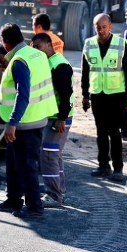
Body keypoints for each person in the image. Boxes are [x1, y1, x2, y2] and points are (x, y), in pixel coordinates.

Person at [0, 23, 57, 219]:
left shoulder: (20, 61)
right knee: (13, 162)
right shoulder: (36, 54)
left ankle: (34, 207)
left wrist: (13, 122)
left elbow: (23, 94)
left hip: (24, 123)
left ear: (5, 44)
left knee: (27, 165)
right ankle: (13, 198)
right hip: (36, 117)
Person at [81, 13, 127, 182]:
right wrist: (85, 95)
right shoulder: (89, 44)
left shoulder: (121, 43)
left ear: (110, 27)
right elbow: (85, 72)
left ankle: (118, 168)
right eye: (98, 27)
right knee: (101, 132)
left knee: (115, 132)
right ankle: (103, 165)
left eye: (104, 27)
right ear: (94, 27)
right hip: (97, 94)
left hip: (117, 95)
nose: (101, 30)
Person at [31, 32, 74, 206]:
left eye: (39, 47)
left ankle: (55, 195)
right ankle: (59, 192)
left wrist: (61, 118)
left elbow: (66, 94)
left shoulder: (60, 65)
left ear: (49, 45)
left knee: (48, 155)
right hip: (51, 116)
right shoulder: (46, 63)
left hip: (58, 118)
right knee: (53, 155)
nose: (38, 51)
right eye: (35, 48)